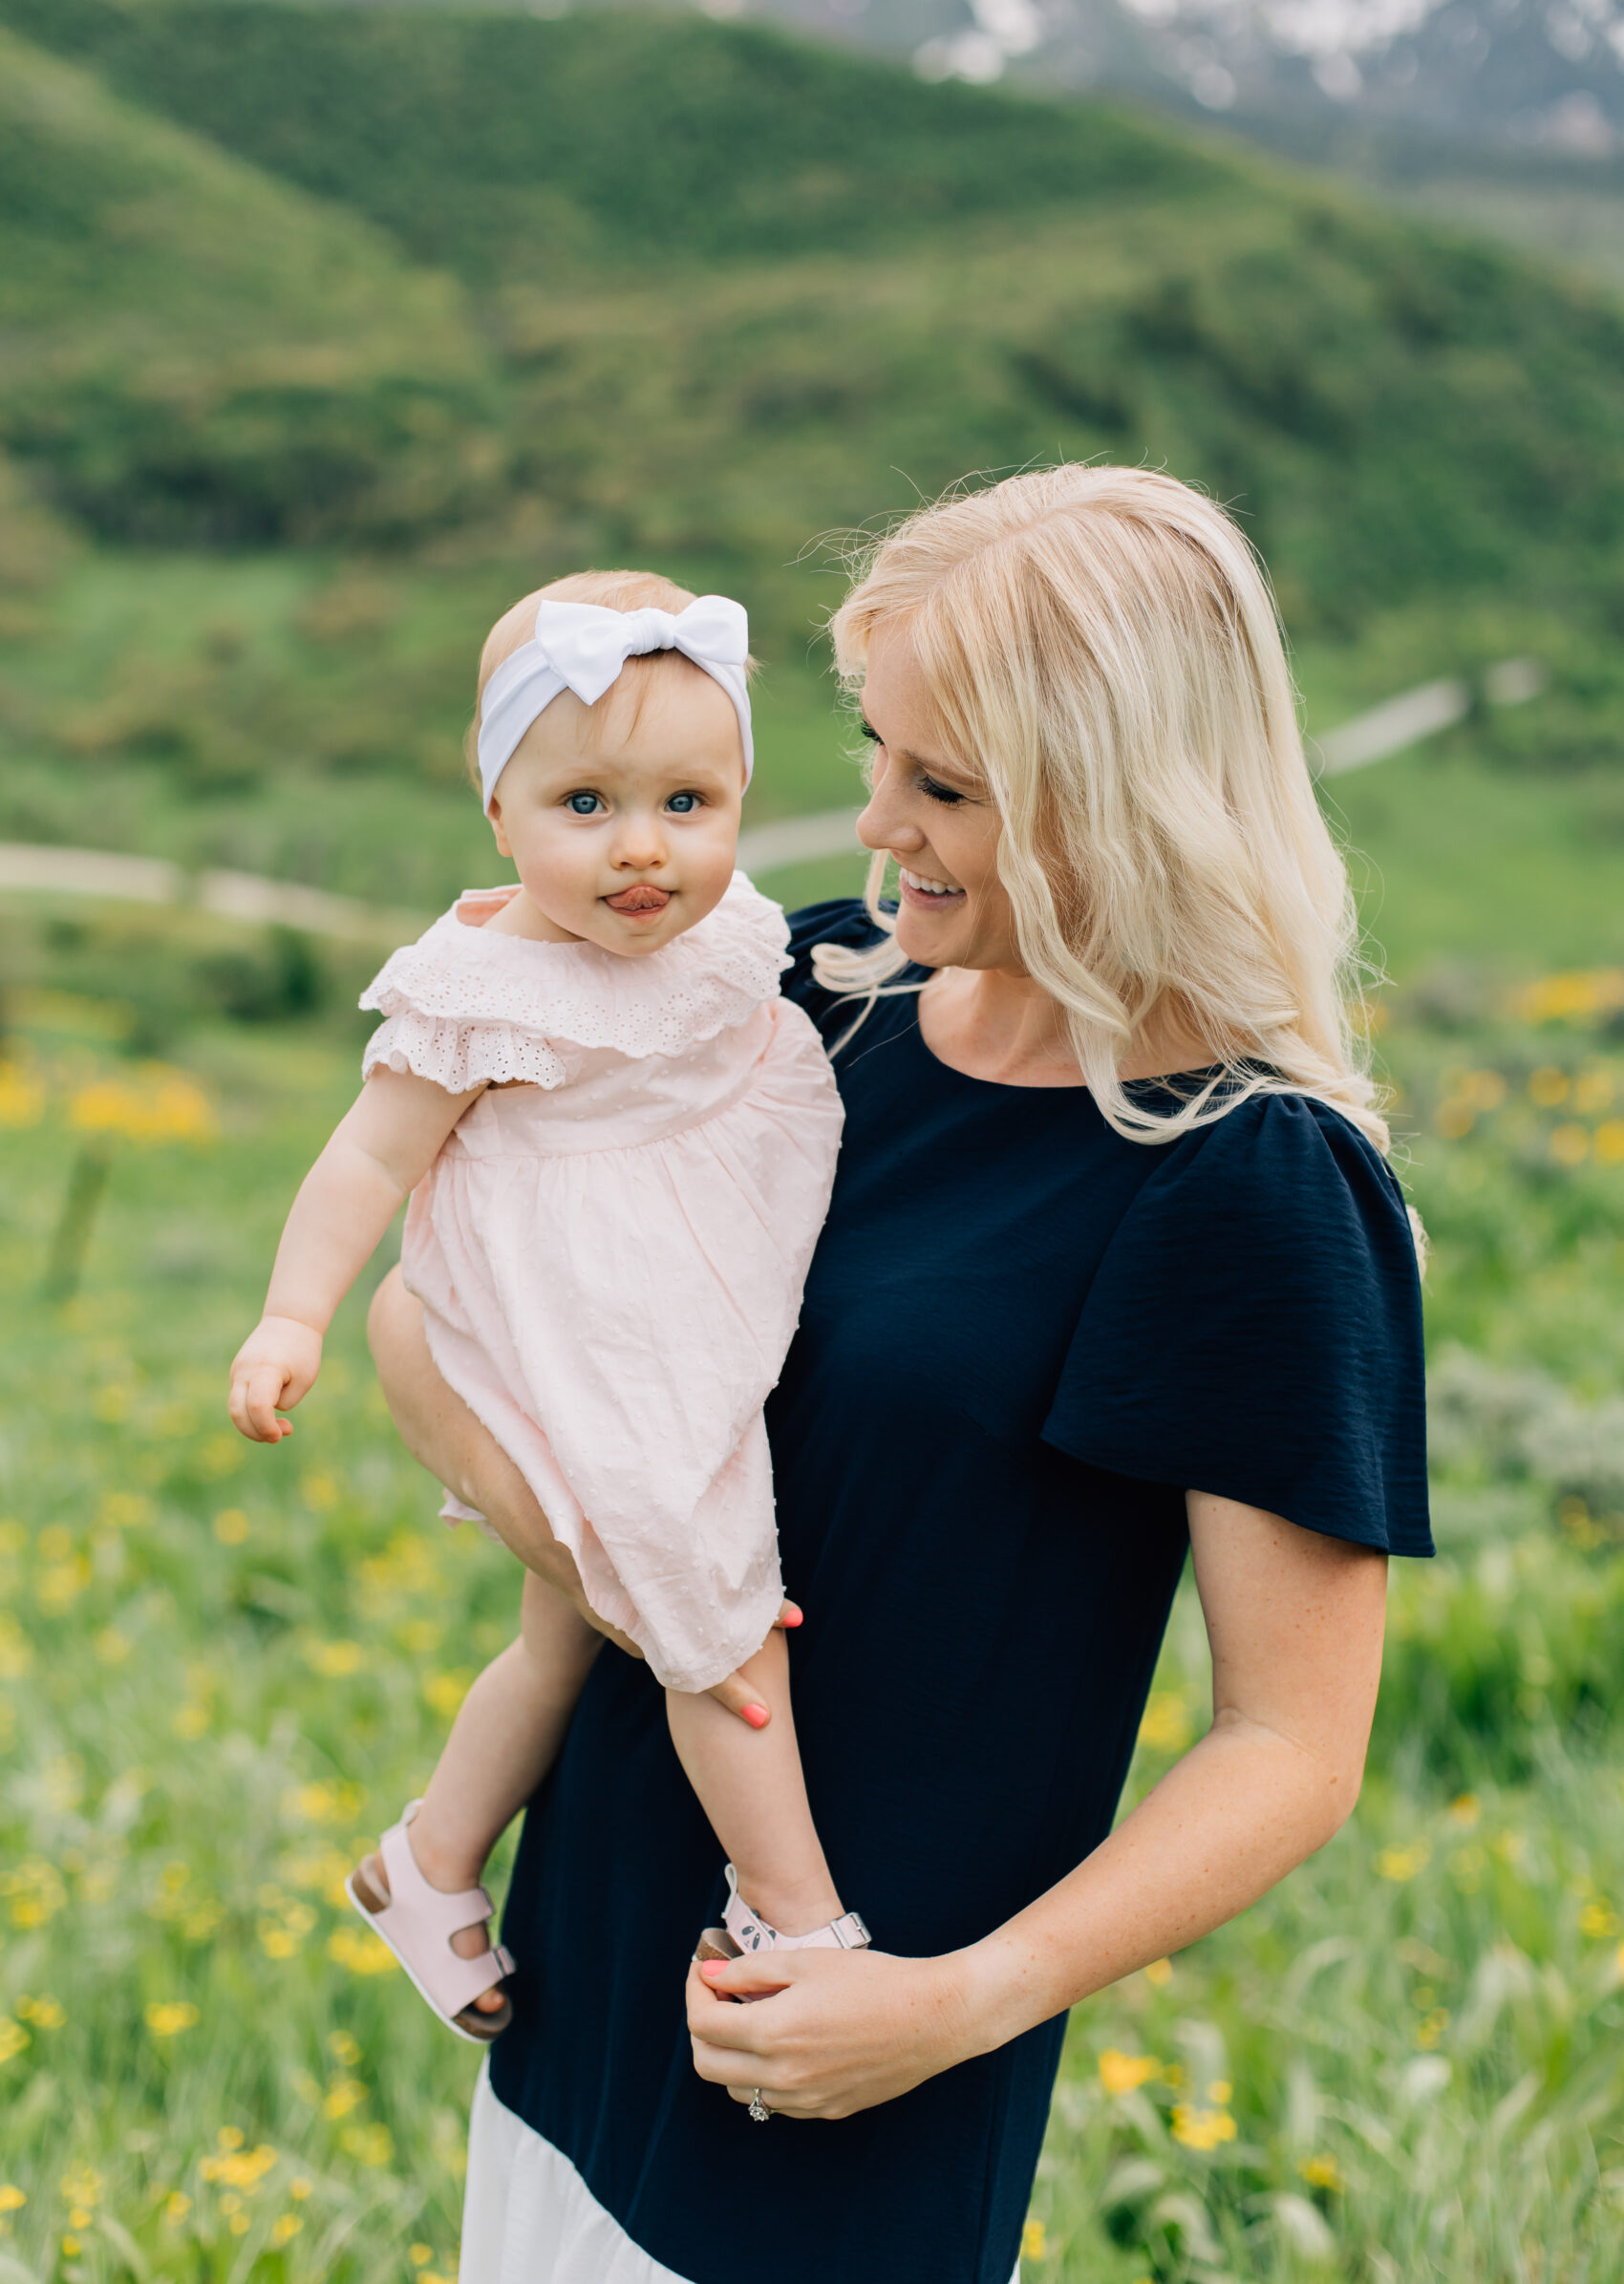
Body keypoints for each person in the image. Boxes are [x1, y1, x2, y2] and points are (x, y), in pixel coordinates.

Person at [367, 465, 1431, 2284]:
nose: (874, 825)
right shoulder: (789, 998)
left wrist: (955, 2006)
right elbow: (460, 1284)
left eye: (943, 787)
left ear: (1121, 796)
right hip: (591, 1963)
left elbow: (1290, 1747)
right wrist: (587, 1551)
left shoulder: (1244, 1179)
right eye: (875, 752)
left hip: (848, 2068)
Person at [226, 569, 857, 2045]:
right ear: (496, 808)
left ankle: (430, 1857)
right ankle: (797, 1911)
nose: (644, 851)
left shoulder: (724, 931)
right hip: (583, 1325)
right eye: (586, 805)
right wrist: (290, 1318)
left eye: (690, 804)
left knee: (561, 1641)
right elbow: (366, 1157)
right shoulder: (482, 987)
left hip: (691, 1304)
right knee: (713, 1610)